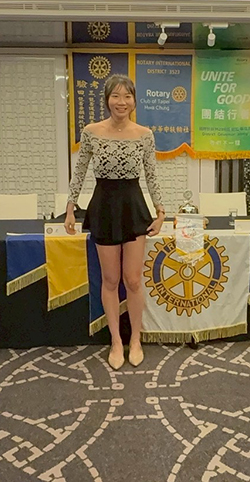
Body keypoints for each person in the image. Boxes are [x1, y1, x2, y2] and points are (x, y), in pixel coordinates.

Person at [65, 74, 165, 370]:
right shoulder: (91, 132)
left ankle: (135, 339)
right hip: (104, 207)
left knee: (133, 280)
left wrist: (161, 212)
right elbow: (79, 171)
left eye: (127, 96)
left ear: (134, 101)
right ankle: (116, 341)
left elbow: (152, 174)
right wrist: (70, 208)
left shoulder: (144, 134)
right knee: (110, 280)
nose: (122, 102)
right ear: (107, 100)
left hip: (133, 207)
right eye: (116, 96)